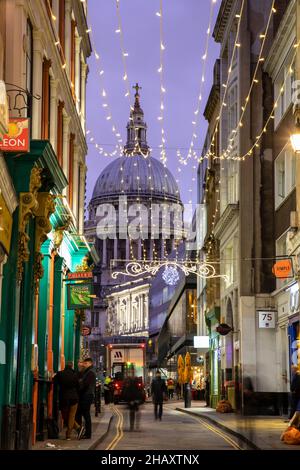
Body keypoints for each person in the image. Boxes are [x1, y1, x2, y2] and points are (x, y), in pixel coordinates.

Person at [53, 361, 84, 440]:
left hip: (64, 398)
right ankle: (72, 432)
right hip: (74, 398)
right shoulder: (75, 375)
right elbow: (79, 387)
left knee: (65, 416)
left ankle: (73, 432)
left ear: (65, 366)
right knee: (72, 416)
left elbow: (54, 382)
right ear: (72, 366)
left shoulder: (60, 374)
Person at [77, 358, 96, 439]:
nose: (84, 364)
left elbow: (85, 384)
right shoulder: (87, 372)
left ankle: (87, 433)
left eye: (85, 363)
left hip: (86, 395)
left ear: (90, 363)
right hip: (86, 395)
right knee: (82, 414)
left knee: (85, 415)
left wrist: (79, 386)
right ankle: (82, 431)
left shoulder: (90, 373)